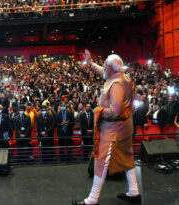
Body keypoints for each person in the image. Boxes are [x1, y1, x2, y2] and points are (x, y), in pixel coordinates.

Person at [72, 51, 141, 205]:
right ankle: (134, 192)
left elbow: (115, 112)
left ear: (112, 68)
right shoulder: (121, 77)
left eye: (105, 65)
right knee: (127, 158)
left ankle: (92, 199)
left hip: (113, 130)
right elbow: (102, 72)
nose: (103, 68)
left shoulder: (116, 84)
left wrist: (98, 111)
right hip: (125, 127)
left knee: (101, 162)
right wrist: (90, 64)